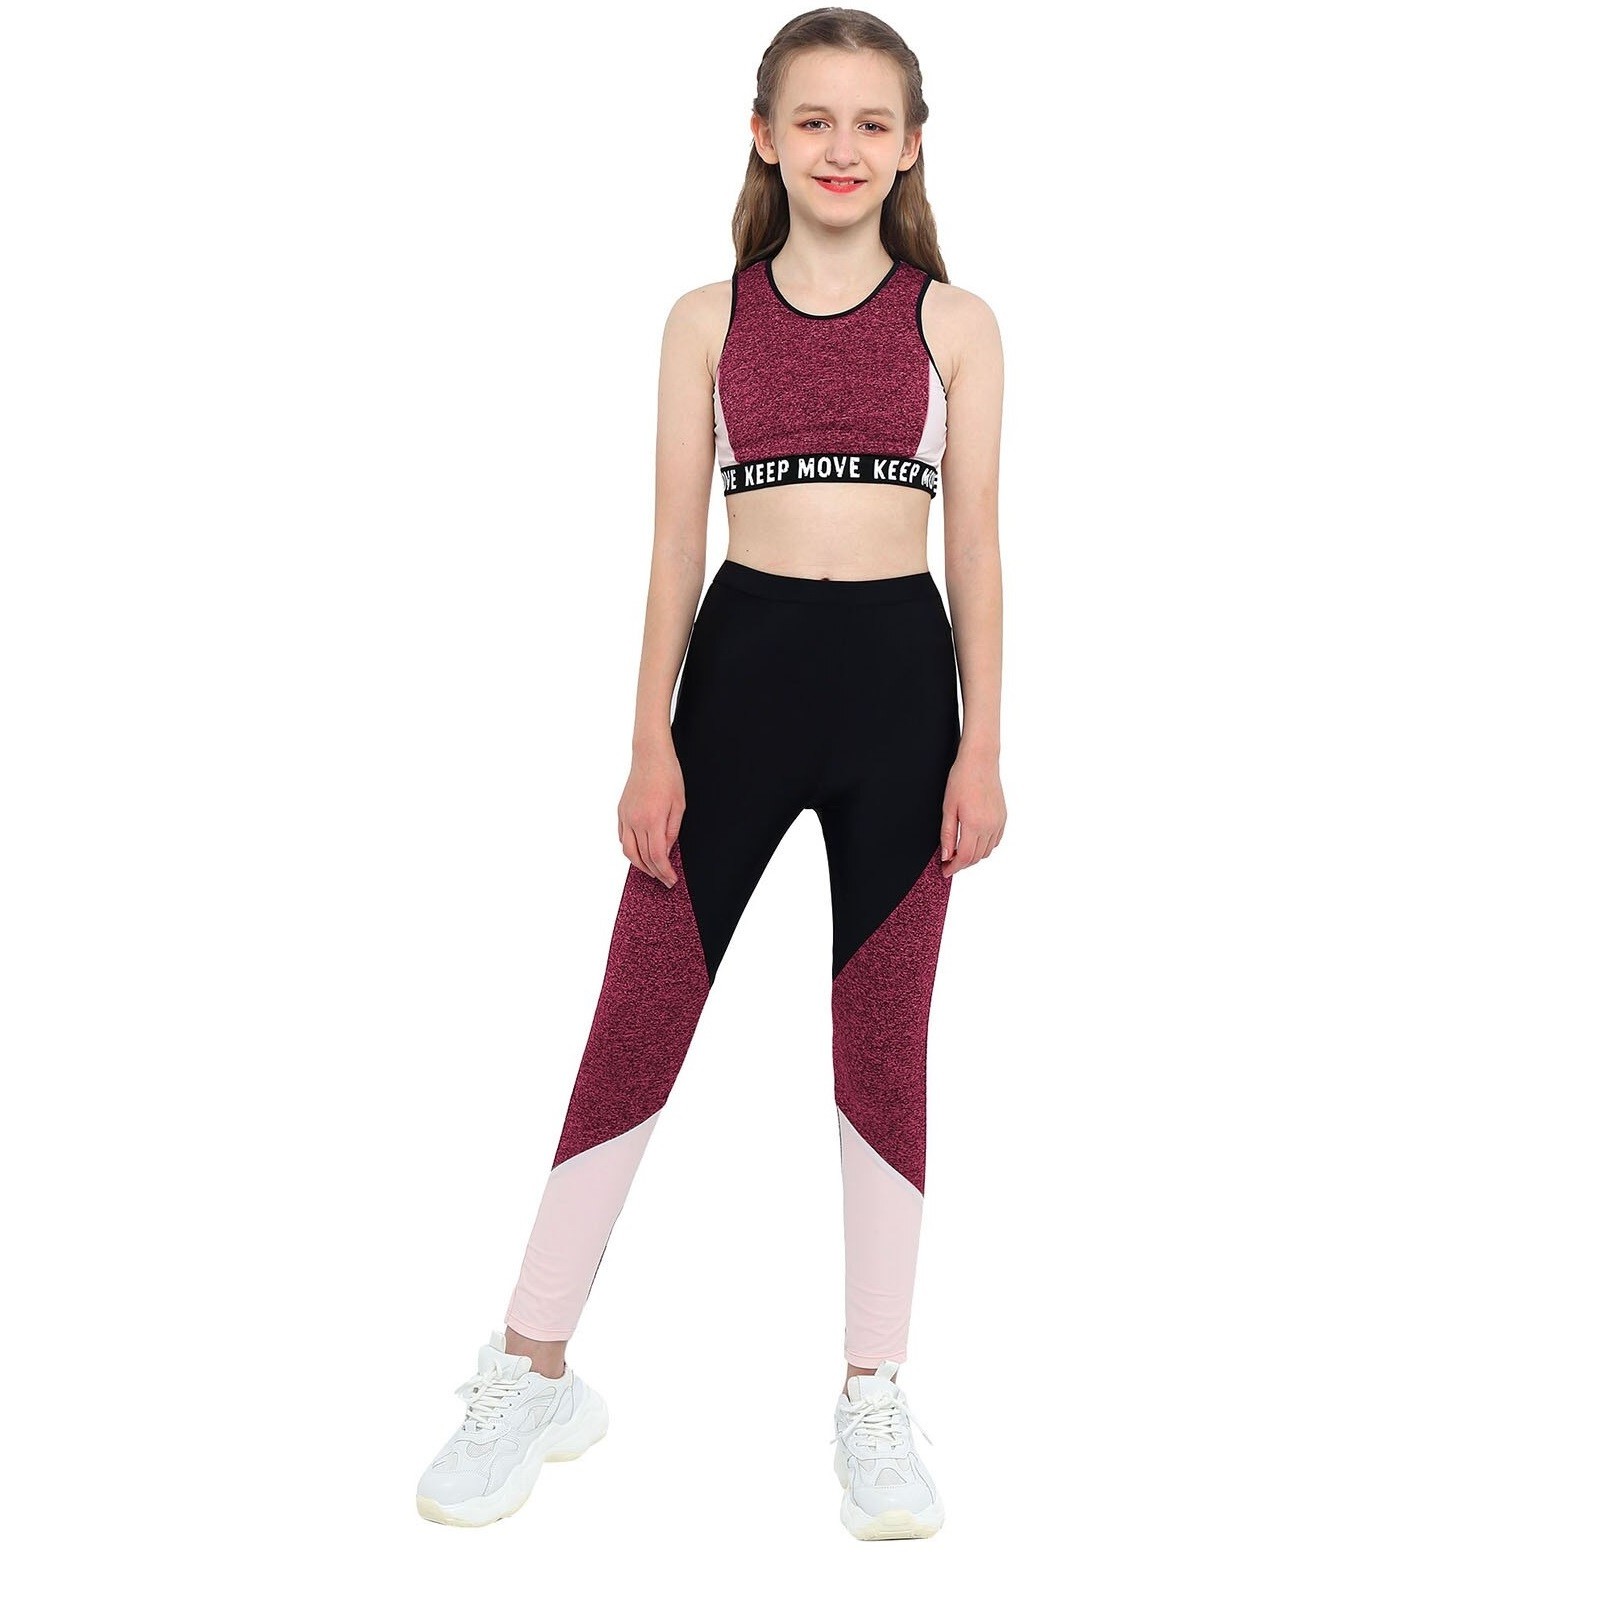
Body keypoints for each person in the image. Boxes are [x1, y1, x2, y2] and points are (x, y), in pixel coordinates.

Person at [415, 7, 1005, 1542]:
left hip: (900, 700)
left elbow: (979, 550)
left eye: (870, 122)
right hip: (737, 689)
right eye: (813, 119)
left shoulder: (956, 323)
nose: (841, 148)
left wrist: (984, 744)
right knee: (637, 1018)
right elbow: (675, 546)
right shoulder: (705, 318)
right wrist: (648, 739)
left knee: (884, 1045)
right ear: (764, 137)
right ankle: (531, 1366)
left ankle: (873, 1394)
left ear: (912, 146)